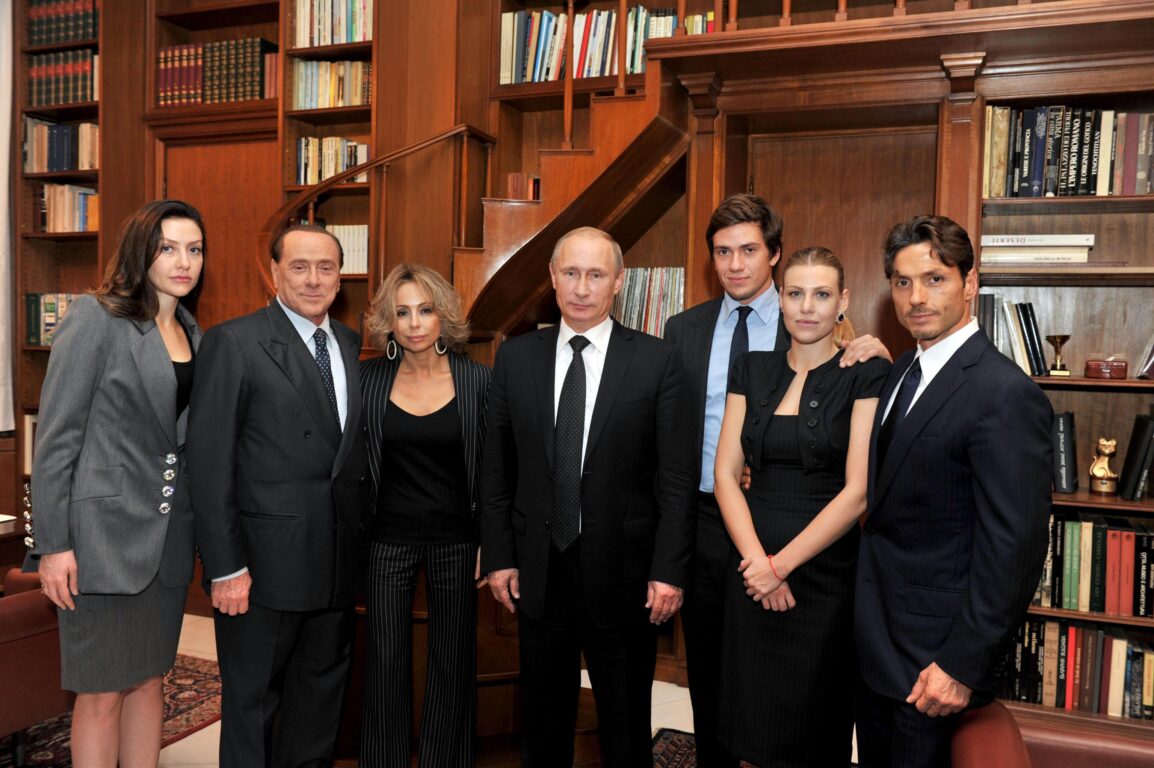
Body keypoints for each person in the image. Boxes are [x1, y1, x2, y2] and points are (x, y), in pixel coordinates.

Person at [663, 194, 887, 767]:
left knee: (809, 707)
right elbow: (685, 444)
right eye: (722, 252)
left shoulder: (850, 356)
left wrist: (777, 564)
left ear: (774, 255)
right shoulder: (684, 331)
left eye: (748, 250)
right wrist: (756, 561)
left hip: (813, 547)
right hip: (716, 528)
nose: (735, 264)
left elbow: (857, 481)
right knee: (719, 686)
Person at [481, 226, 696, 767]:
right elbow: (496, 469)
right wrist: (500, 555)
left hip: (626, 574)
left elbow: (675, 479)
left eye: (596, 275)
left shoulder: (657, 361)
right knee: (542, 722)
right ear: (552, 278)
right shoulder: (515, 359)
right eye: (571, 273)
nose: (582, 288)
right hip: (539, 569)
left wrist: (669, 570)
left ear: (618, 282)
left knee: (624, 723)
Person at [854, 215, 1052, 767]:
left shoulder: (1004, 392)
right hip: (878, 647)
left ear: (969, 284)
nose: (916, 297)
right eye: (902, 282)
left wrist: (962, 666)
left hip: (935, 666)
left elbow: (1014, 549)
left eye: (935, 279)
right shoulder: (901, 371)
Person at [25, 199, 205, 767]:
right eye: (168, 248)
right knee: (101, 691)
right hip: (99, 540)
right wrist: (53, 545)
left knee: (150, 679)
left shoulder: (192, 329)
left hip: (167, 541)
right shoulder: (95, 317)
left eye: (195, 249)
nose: (184, 261)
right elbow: (56, 440)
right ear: (140, 252)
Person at [187, 224, 370, 768]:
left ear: (340, 277)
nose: (313, 279)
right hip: (261, 572)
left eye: (326, 268)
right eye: (299, 266)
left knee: (319, 705)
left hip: (334, 566)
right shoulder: (234, 342)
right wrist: (225, 568)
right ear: (274, 273)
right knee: (253, 707)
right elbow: (209, 464)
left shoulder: (347, 343)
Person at [359, 264, 490, 767]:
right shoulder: (368, 379)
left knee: (453, 663)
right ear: (388, 322)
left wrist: (491, 540)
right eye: (403, 312)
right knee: (385, 662)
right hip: (385, 541)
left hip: (458, 541)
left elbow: (496, 471)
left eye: (425, 310)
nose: (414, 323)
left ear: (444, 316)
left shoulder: (478, 381)